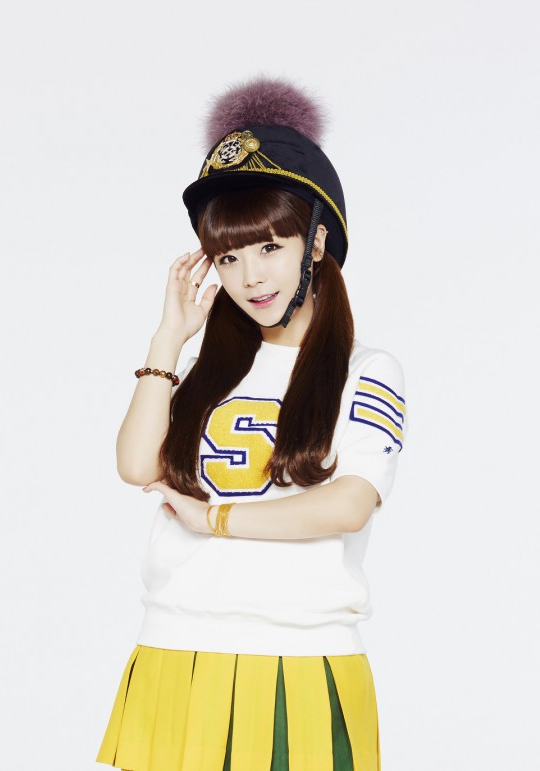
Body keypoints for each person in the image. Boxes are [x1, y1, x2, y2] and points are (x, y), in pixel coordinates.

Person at [96, 76, 407, 771]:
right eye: (229, 256)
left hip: (298, 657)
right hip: (174, 647)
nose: (249, 277)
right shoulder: (207, 368)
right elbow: (136, 465)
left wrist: (216, 520)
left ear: (316, 241)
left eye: (269, 247)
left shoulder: (366, 368)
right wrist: (167, 340)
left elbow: (349, 503)